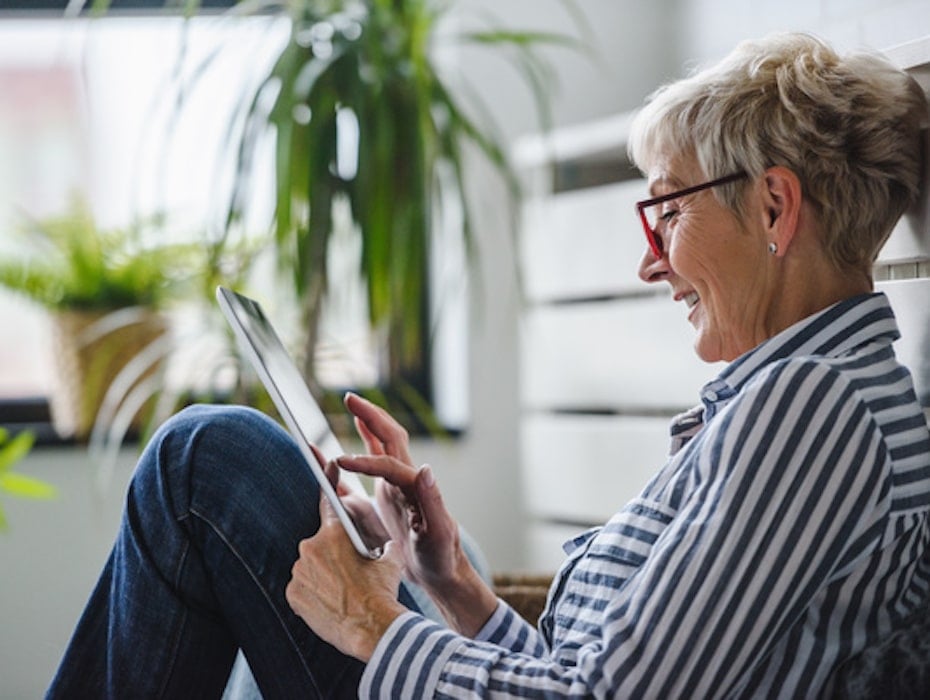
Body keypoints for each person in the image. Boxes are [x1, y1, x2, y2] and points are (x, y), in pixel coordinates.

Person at [48, 31, 929, 698]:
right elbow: (601, 671)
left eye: (665, 212)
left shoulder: (814, 408)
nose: (649, 260)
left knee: (206, 460)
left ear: (775, 207)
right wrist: (454, 585)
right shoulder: (796, 400)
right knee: (241, 478)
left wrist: (373, 621)